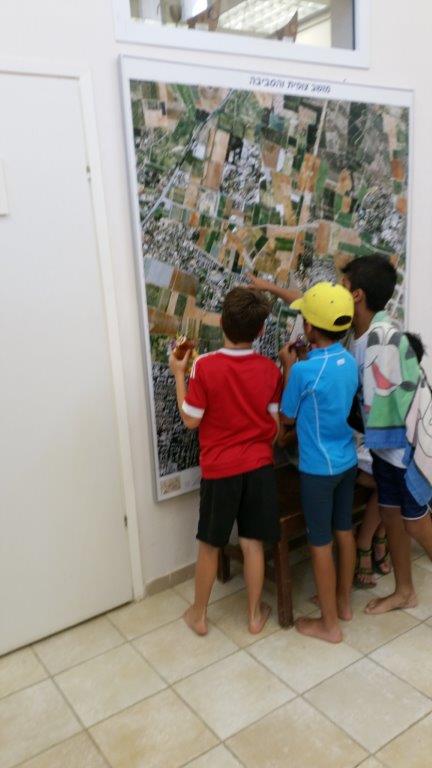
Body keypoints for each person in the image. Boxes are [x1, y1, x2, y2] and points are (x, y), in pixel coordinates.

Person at [169, 287, 283, 636]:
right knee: (253, 543)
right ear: (260, 330)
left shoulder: (204, 366)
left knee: (210, 544)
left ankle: (199, 615)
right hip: (259, 467)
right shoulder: (270, 370)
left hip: (220, 470)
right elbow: (275, 429)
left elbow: (191, 420)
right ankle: (254, 616)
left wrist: (178, 373)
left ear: (221, 323)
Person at [340, 256, 432, 615]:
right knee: (391, 516)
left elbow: (398, 403)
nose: (337, 291)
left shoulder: (383, 339)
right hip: (384, 452)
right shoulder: (358, 336)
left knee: (415, 522)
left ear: (358, 295)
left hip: (403, 450)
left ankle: (406, 589)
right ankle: (405, 591)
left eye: (343, 286)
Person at [279, 282, 358, 643]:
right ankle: (343, 604)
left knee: (320, 543)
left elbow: (288, 416)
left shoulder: (303, 371)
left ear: (309, 327)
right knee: (344, 531)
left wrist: (289, 366)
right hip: (346, 462)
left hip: (317, 471)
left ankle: (329, 625)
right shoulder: (350, 361)